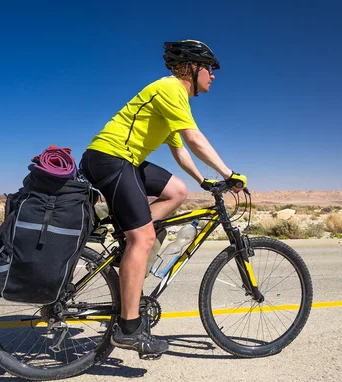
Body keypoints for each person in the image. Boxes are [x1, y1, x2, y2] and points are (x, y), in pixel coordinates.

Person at [79, 40, 247, 356]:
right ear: (192, 68)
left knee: (178, 191)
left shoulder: (174, 99)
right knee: (142, 239)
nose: (213, 76)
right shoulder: (170, 89)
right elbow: (194, 138)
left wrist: (204, 181)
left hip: (123, 160)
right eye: (209, 69)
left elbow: (180, 150)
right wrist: (228, 173)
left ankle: (132, 231)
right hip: (110, 158)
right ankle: (128, 328)